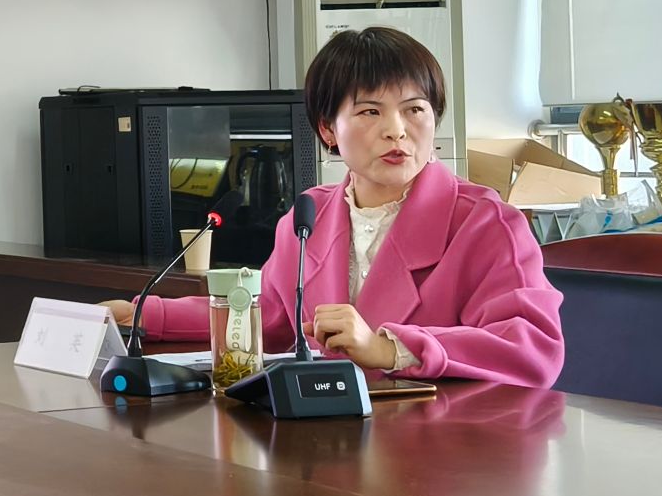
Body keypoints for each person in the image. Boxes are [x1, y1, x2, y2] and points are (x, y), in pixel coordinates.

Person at [103, 27, 565, 388]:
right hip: (331, 437)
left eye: (414, 109)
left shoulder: (487, 222)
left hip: (445, 450)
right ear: (327, 130)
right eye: (370, 112)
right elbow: (272, 317)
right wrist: (141, 314)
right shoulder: (310, 216)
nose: (396, 130)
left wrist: (391, 349)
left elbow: (533, 347)